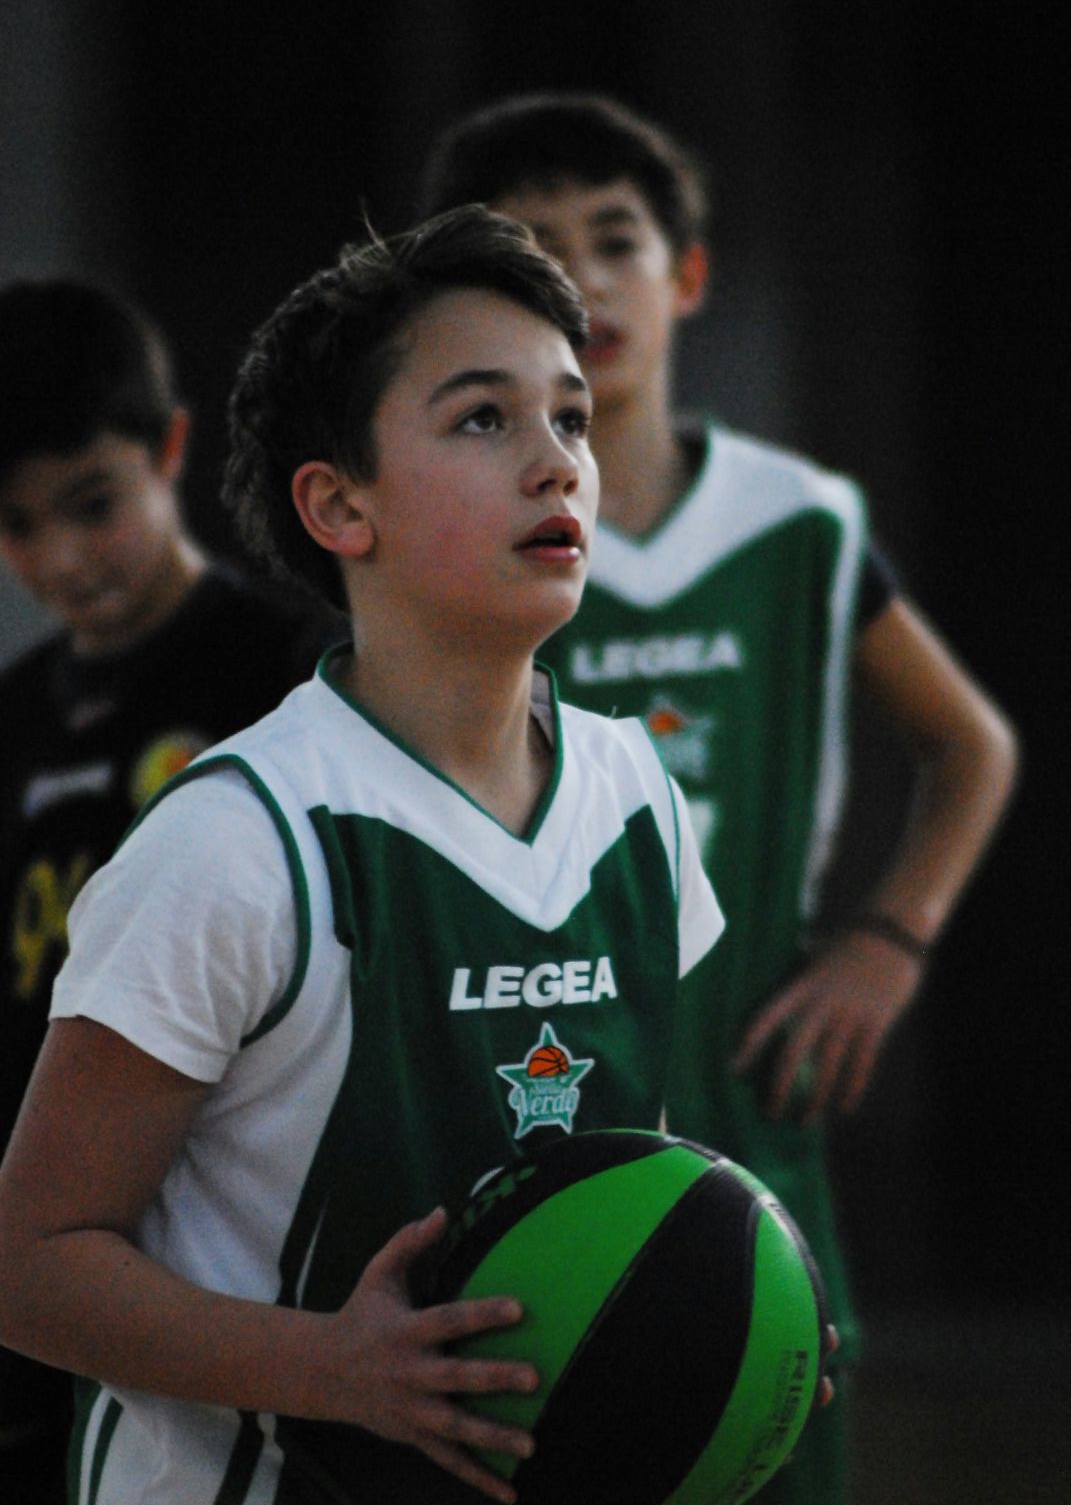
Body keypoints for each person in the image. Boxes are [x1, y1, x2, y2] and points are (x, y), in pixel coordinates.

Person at [0, 206, 735, 1505]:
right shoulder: (234, 841)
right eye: (483, 419)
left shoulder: (639, 798)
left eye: (570, 417)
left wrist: (719, 1318)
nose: (557, 462)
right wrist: (328, 1369)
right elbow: (27, 1265)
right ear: (340, 504)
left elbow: (635, 1180)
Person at [418, 93, 1020, 1503]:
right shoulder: (457, 533)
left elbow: (969, 745)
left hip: (744, 1117)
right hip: (525, 1112)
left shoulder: (794, 521)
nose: (583, 279)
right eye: (536, 249)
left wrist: (889, 939)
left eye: (614, 239)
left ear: (684, 274)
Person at [0, 276, 342, 1501]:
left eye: (94, 504)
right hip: (42, 1251)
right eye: (17, 525)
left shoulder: (294, 674)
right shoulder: (14, 720)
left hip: (220, 1255)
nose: (62, 558)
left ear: (170, 448)